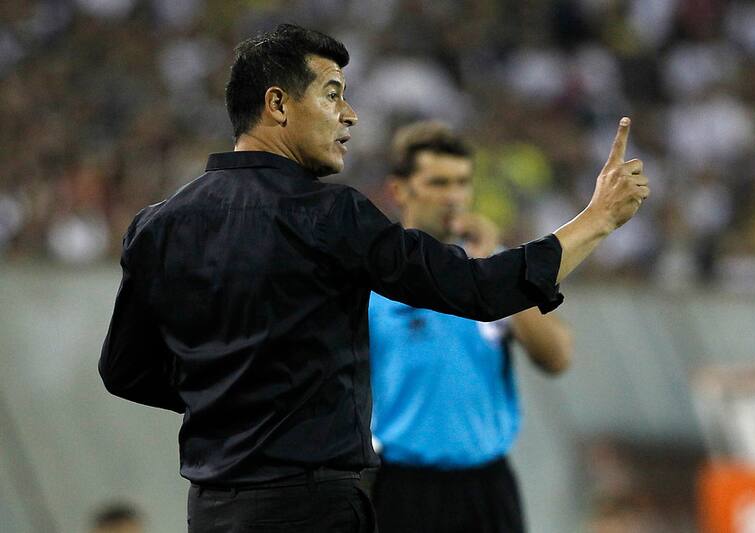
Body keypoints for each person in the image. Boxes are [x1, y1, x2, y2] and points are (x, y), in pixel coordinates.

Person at [98, 24, 649, 533]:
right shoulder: (329, 216)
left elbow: (124, 370)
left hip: (213, 509)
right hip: (316, 508)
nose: (350, 114)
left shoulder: (157, 226)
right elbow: (477, 290)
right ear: (277, 105)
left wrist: (224, 400)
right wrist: (597, 219)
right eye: (333, 93)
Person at [368, 121, 573, 533]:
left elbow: (557, 358)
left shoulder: (494, 271)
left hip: (487, 485)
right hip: (403, 485)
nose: (454, 196)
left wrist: (498, 280)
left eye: (462, 182)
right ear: (400, 190)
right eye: (439, 182)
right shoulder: (373, 276)